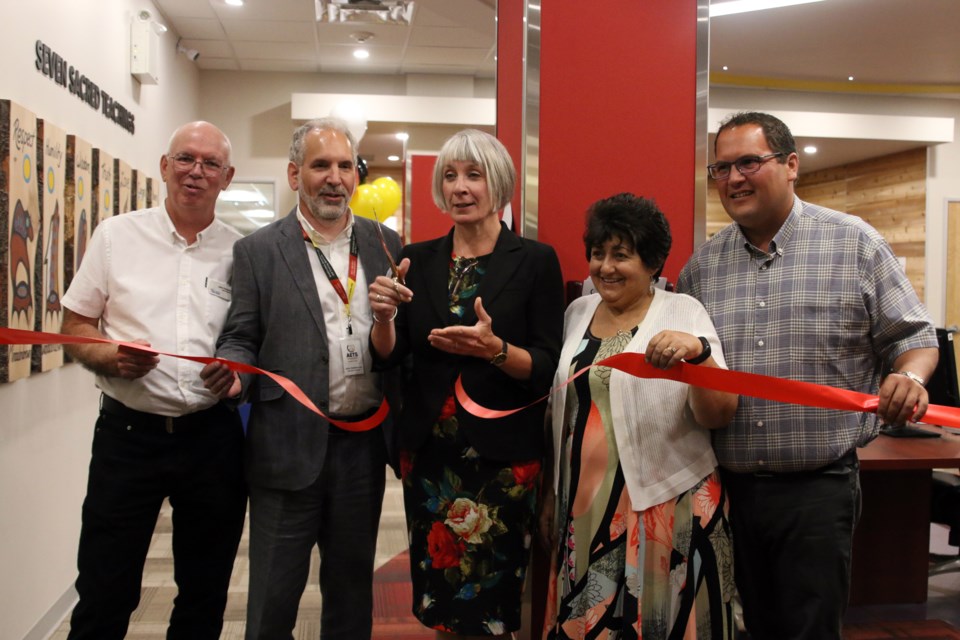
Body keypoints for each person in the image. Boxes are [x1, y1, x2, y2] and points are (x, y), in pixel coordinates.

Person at [676, 111, 939, 640]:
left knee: (810, 630)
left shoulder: (855, 244)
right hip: (727, 491)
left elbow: (914, 339)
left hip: (819, 491)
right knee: (736, 628)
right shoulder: (700, 270)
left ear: (791, 164)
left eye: (749, 162)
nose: (733, 179)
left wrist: (911, 378)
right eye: (721, 168)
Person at [201, 116, 402, 639]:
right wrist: (234, 374)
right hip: (285, 447)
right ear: (294, 175)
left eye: (344, 165)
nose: (334, 177)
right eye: (320, 165)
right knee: (272, 599)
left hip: (360, 449)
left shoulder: (389, 245)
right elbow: (241, 335)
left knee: (352, 593)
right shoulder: (258, 251)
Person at [367, 128, 564, 638]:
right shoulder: (419, 256)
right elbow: (390, 358)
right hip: (431, 454)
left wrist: (493, 350)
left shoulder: (536, 259)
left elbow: (546, 365)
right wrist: (384, 317)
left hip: (501, 457)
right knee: (440, 591)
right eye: (450, 176)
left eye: (473, 175)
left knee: (493, 600)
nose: (460, 187)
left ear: (498, 184)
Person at [59, 121, 247, 639]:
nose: (196, 172)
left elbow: (251, 341)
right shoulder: (116, 236)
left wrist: (235, 377)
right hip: (128, 439)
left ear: (226, 178)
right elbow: (74, 326)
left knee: (204, 592)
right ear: (164, 166)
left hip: (212, 440)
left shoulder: (243, 254)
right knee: (105, 588)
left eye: (210, 164)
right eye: (185, 158)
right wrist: (108, 355)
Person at [539, 193, 738, 639]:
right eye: (598, 253)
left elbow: (719, 413)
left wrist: (698, 354)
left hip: (666, 506)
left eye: (621, 255)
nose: (605, 267)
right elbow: (564, 415)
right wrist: (552, 493)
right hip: (585, 508)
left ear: (652, 264)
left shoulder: (683, 311)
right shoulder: (577, 313)